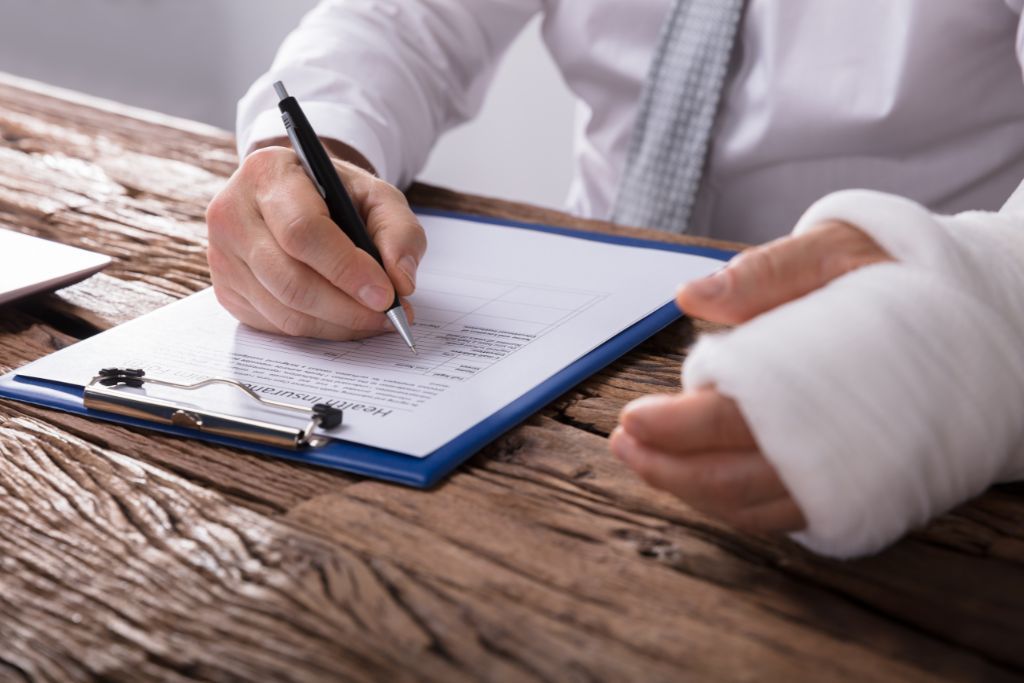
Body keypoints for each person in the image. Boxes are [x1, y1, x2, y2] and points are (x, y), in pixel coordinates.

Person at [206, 0, 1024, 558]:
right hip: (577, 321)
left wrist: (972, 320)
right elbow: (403, 20)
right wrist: (322, 156)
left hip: (883, 347)